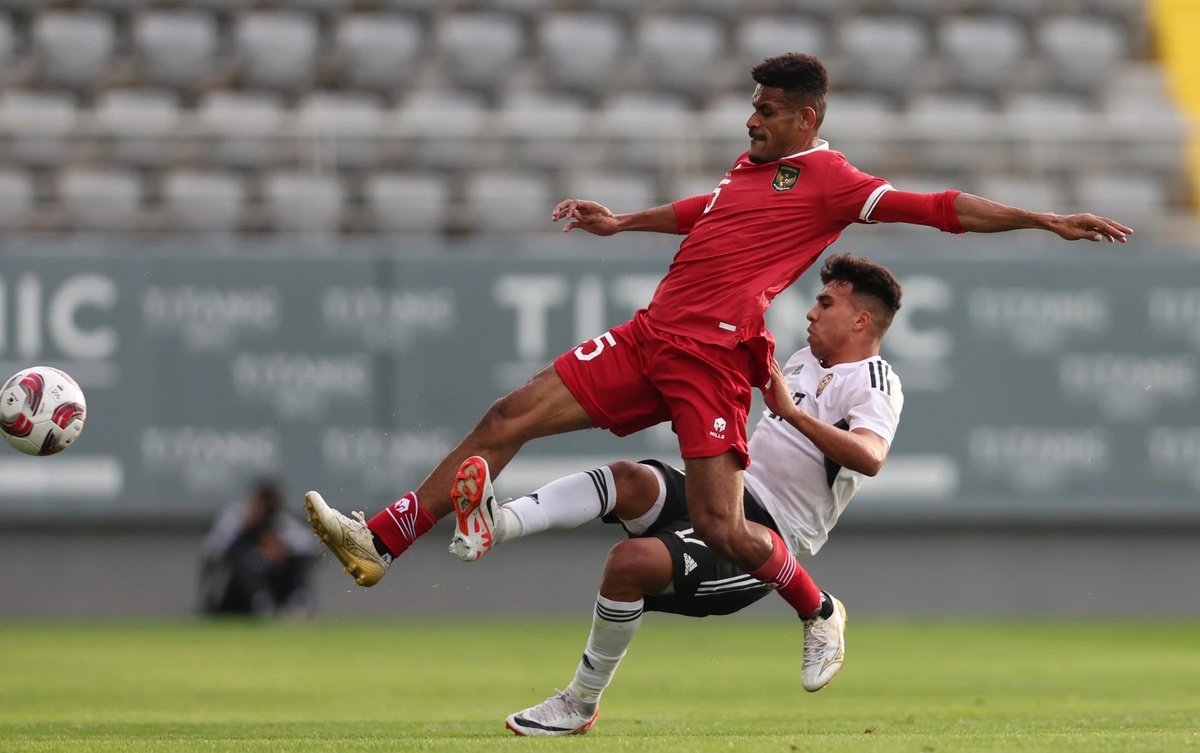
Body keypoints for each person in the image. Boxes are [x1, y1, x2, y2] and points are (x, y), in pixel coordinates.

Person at [303, 53, 1129, 640]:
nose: (751, 118)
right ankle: (381, 541)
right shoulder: (749, 169)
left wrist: (1045, 218)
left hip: (714, 357)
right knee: (504, 418)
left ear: (805, 118)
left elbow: (941, 207)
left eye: (766, 109)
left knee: (720, 525)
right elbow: (710, 209)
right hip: (650, 335)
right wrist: (623, 222)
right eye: (753, 106)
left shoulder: (835, 182)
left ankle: (818, 611)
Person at [482, 253, 904, 734]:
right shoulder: (803, 360)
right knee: (628, 479)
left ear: (861, 319)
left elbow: (870, 457)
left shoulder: (875, 380)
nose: (811, 313)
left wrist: (793, 414)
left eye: (825, 304)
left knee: (628, 564)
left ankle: (579, 703)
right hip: (730, 491)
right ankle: (499, 524)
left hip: (769, 533)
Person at [199, 478, 318, 616]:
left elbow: (311, 546)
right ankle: (262, 605)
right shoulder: (236, 518)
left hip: (272, 584)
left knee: (295, 563)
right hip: (236, 590)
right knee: (244, 562)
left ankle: (298, 605)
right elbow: (210, 550)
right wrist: (245, 531)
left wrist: (282, 549)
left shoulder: (281, 522)